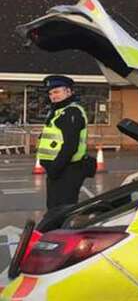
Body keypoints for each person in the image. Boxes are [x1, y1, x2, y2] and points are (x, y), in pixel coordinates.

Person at [36, 75, 90, 210]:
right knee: (55, 209)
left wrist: (55, 169)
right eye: (50, 93)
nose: (53, 96)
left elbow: (70, 146)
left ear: (69, 91)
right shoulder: (59, 111)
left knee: (62, 211)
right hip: (59, 170)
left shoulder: (71, 112)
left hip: (66, 170)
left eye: (57, 92)